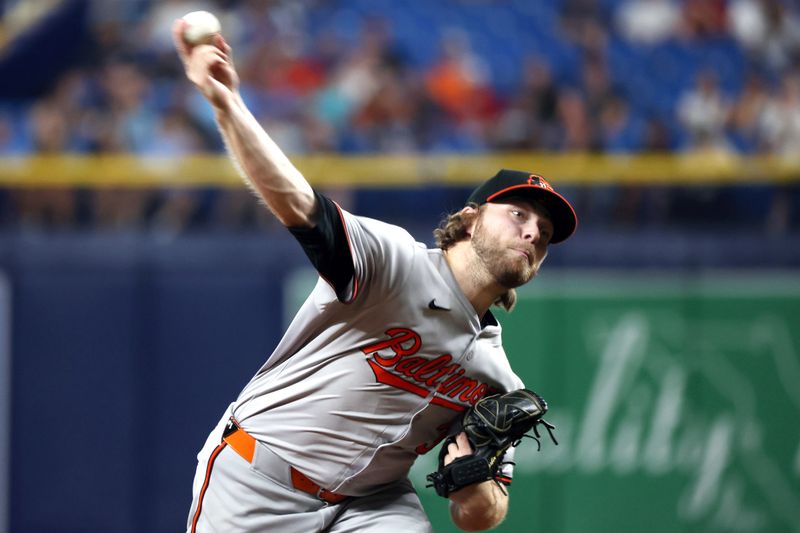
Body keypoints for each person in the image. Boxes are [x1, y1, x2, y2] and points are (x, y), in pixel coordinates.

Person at [173, 18, 578, 533]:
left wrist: (472, 480)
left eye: (544, 231)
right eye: (519, 215)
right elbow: (297, 201)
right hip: (261, 478)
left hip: (372, 504)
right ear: (471, 218)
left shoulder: (496, 380)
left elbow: (482, 515)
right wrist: (227, 105)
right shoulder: (392, 263)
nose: (533, 233)